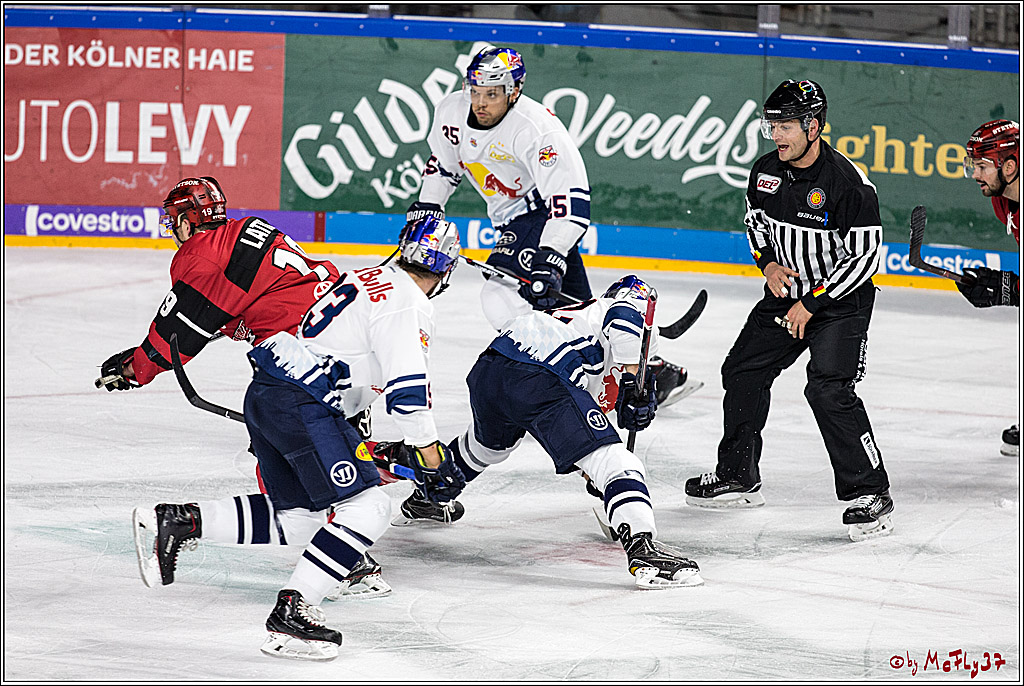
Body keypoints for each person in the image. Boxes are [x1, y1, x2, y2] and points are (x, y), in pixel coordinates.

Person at [131, 216, 466, 661]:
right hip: (303, 403)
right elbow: (407, 394)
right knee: (370, 506)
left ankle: (178, 522)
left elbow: (346, 362)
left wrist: (354, 439)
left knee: (301, 518)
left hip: (273, 392)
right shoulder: (408, 303)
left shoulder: (367, 277)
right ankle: (293, 613)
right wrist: (428, 452)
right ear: (446, 269)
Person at [96, 176, 388, 597]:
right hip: (351, 345)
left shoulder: (202, 255)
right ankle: (347, 536)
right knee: (326, 452)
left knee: (297, 453)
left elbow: (183, 329)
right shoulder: (250, 229)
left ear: (189, 218)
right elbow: (250, 301)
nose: (172, 229)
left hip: (305, 360)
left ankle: (343, 551)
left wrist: (134, 367)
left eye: (175, 219)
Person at [406, 44, 699, 409]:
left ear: (514, 91)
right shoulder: (451, 112)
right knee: (576, 308)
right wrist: (428, 208)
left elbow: (569, 201)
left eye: (492, 94)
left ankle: (557, 380)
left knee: (500, 295)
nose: (480, 103)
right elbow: (445, 166)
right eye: (475, 91)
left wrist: (552, 254)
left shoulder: (537, 128)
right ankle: (651, 372)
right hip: (511, 218)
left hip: (543, 215)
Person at [684, 80, 894, 542]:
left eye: (785, 126)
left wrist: (811, 303)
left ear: (813, 126)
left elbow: (865, 260)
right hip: (787, 296)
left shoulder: (849, 185)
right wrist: (768, 263)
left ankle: (871, 492)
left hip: (841, 303)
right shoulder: (764, 172)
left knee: (827, 390)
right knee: (741, 370)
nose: (775, 134)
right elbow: (754, 222)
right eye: (771, 124)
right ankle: (739, 475)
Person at [437, 274, 703, 588]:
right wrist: (634, 383)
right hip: (542, 373)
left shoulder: (580, 327)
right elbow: (625, 316)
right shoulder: (619, 306)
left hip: (492, 367)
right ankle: (643, 551)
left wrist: (592, 471)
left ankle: (428, 495)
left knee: (485, 449)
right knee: (615, 461)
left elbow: (582, 425)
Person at [958, 119, 1019, 457]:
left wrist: (1010, 288)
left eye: (982, 166)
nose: (976, 175)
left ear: (1009, 166)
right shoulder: (1003, 199)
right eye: (973, 165)